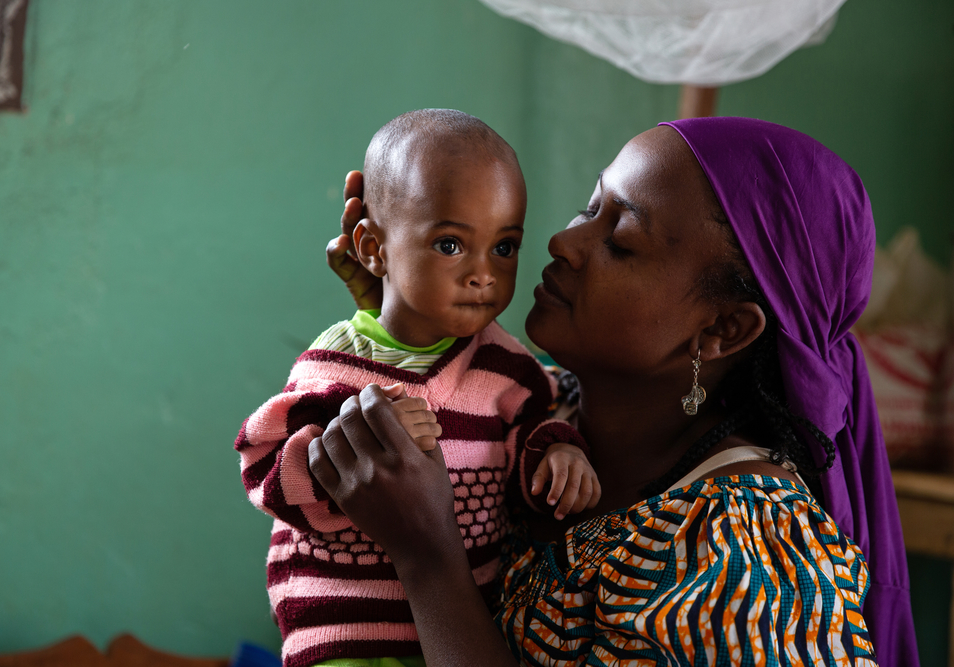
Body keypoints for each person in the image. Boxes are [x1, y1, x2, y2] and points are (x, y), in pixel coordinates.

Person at [311, 117, 919, 666]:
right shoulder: (537, 403)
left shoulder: (742, 561)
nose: (563, 243)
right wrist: (400, 324)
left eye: (620, 242)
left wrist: (429, 561)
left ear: (721, 329)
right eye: (588, 207)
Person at [234, 109, 599, 667]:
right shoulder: (338, 364)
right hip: (342, 627)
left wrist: (558, 452)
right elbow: (262, 466)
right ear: (374, 248)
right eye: (450, 245)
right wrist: (351, 444)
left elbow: (532, 428)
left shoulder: (509, 365)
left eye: (504, 247)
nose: (483, 273)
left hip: (457, 632)